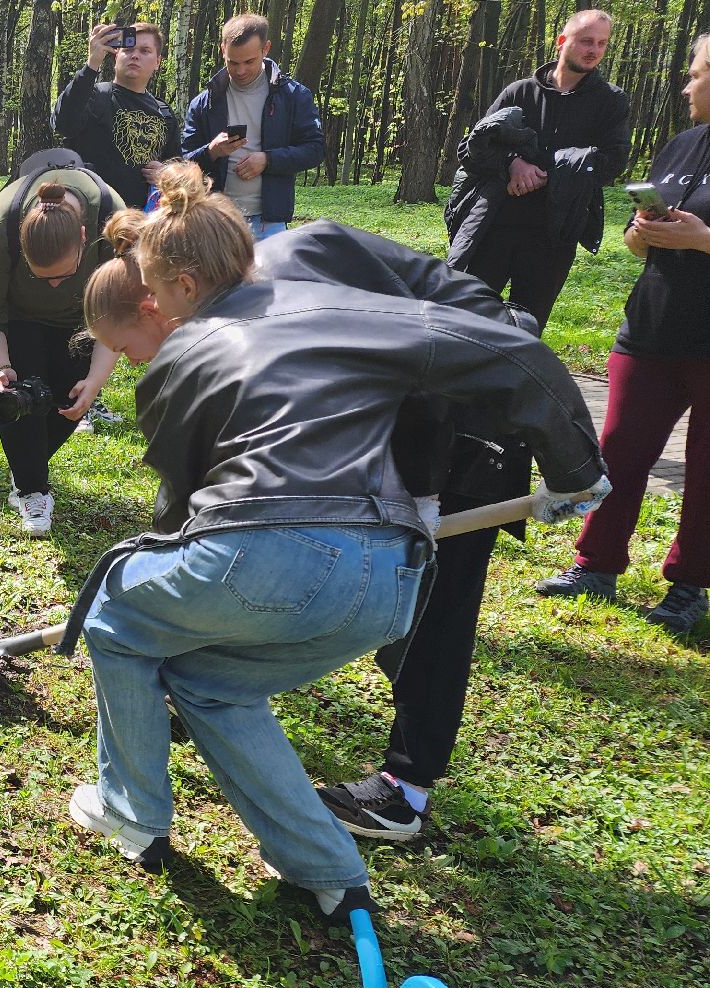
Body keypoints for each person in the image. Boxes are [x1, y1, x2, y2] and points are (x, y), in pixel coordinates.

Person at [62, 164, 607, 921]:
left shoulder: (183, 357)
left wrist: (164, 605)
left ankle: (132, 816)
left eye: (154, 291)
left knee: (114, 618)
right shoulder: (345, 308)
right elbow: (512, 350)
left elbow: (181, 518)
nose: (152, 307)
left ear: (184, 285)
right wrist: (577, 473)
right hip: (392, 581)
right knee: (212, 684)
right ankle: (327, 871)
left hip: (267, 554)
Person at [238, 221, 543, 840]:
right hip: (412, 414)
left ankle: (405, 791)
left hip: (472, 416)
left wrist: (423, 495)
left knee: (435, 607)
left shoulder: (294, 282)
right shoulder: (256, 292)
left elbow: (420, 367)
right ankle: (214, 687)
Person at [536, 33, 710, 637]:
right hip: (653, 325)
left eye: (696, 74)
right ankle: (595, 564)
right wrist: (642, 232)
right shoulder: (682, 145)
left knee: (706, 467)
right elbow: (640, 242)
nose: (686, 87)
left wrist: (703, 240)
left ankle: (689, 586)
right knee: (617, 451)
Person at [0, 161, 124, 536]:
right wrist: (3, 368)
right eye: (40, 275)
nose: (53, 286)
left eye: (64, 275)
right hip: (17, 316)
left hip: (86, 317)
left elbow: (118, 315)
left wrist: (95, 381)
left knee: (69, 399)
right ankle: (31, 488)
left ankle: (26, 466)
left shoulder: (114, 225)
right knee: (23, 397)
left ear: (85, 238)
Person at [444, 9, 630, 331]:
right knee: (465, 320)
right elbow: (471, 148)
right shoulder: (519, 92)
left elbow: (611, 163)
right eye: (586, 41)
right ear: (562, 41)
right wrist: (512, 164)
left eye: (602, 43)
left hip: (554, 235)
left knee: (527, 330)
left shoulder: (611, 101)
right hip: (494, 226)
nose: (594, 50)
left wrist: (544, 174)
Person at [179, 14, 324, 240]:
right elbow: (184, 161)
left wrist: (268, 160)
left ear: (266, 49)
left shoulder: (293, 96)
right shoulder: (204, 103)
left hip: (270, 222)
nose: (240, 71)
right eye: (233, 62)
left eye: (249, 62)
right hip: (215, 220)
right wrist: (212, 151)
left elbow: (315, 150)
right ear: (222, 50)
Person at [51, 21, 180, 210]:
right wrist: (92, 62)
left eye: (145, 51)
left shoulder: (164, 113)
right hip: (93, 218)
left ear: (157, 62)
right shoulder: (93, 96)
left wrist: (167, 175)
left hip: (144, 223)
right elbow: (63, 123)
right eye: (128, 49)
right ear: (116, 55)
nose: (135, 55)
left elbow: (178, 166)